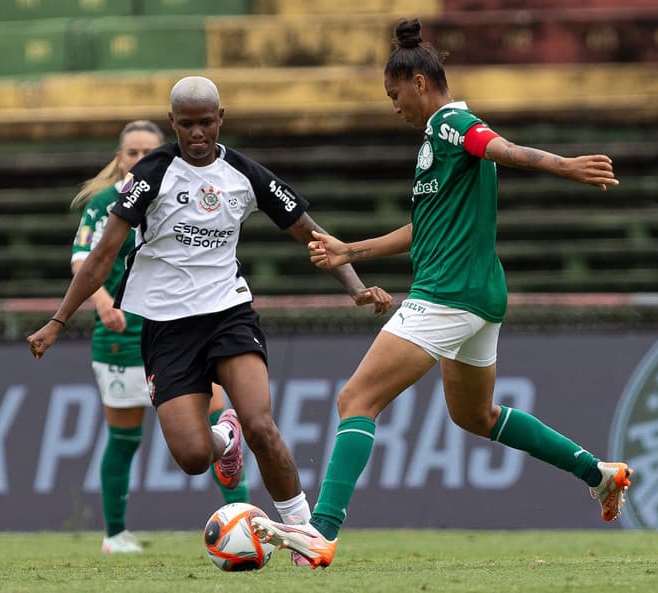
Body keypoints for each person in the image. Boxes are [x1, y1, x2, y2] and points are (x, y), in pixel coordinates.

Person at [250, 18, 631, 568]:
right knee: (475, 416)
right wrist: (348, 251)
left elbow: (498, 147)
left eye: (395, 94)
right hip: (479, 297)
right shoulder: (435, 141)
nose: (394, 105)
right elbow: (423, 229)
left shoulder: (452, 123)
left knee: (356, 401)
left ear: (419, 83)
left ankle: (321, 533)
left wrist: (565, 165)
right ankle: (599, 474)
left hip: (448, 295)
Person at [27, 76, 393, 565]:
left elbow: (312, 233)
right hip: (166, 327)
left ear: (221, 119)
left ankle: (307, 536)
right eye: (187, 124)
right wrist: (58, 320)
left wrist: (355, 288)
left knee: (263, 424)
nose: (197, 133)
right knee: (194, 457)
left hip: (228, 315)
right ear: (173, 122)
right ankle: (226, 438)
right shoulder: (152, 175)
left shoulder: (245, 175)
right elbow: (102, 253)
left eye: (206, 123)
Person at [69, 120, 249, 554]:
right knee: (125, 438)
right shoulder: (103, 203)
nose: (140, 159)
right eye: (131, 152)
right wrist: (103, 304)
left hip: (183, 332)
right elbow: (83, 260)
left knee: (218, 424)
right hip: (123, 338)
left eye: (149, 151)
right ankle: (114, 534)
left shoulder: (181, 195)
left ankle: (244, 522)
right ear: (119, 158)